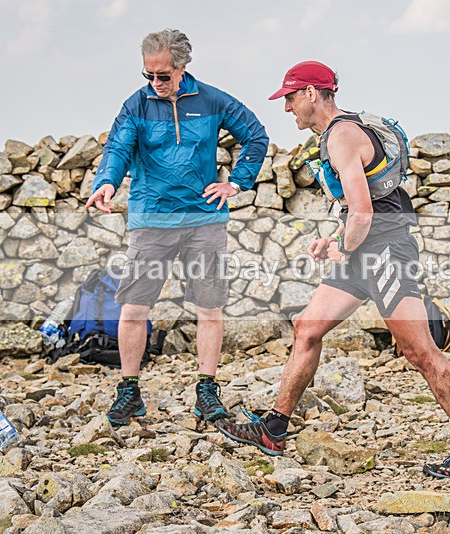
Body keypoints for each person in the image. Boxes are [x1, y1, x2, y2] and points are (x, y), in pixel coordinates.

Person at [217, 61, 450, 479]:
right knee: (307, 329)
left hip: (385, 251)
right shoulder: (339, 134)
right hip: (364, 251)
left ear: (313, 93)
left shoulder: (343, 136)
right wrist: (335, 240)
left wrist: (344, 250)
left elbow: (365, 215)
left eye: (290, 97)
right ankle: (274, 429)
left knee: (419, 353)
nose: (287, 107)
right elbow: (357, 208)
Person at [85, 29, 269, 427]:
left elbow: (255, 135)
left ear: (183, 68)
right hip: (152, 219)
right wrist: (106, 182)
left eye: (163, 75)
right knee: (134, 307)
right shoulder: (137, 104)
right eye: (148, 74)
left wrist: (236, 182)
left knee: (209, 307)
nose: (155, 83)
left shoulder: (213, 100)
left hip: (204, 219)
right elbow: (118, 148)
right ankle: (129, 390)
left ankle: (206, 389)